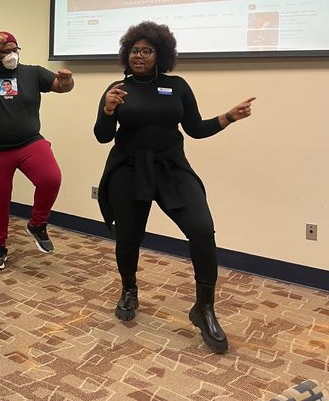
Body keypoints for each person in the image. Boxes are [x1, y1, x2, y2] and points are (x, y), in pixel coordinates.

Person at [94, 21, 255, 354]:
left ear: (160, 54)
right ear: (127, 53)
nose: (139, 56)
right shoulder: (117, 89)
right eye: (134, 50)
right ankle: (129, 289)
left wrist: (229, 117)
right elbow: (102, 135)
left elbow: (195, 129)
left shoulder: (177, 86)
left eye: (147, 50)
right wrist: (108, 109)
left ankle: (204, 308)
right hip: (128, 169)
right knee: (128, 237)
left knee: (201, 229)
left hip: (171, 169)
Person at [0, 31, 74, 270]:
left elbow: (62, 87)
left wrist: (66, 81)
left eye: (14, 49)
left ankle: (37, 224)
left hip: (30, 142)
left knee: (51, 178)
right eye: (5, 51)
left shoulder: (32, 73)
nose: (11, 54)